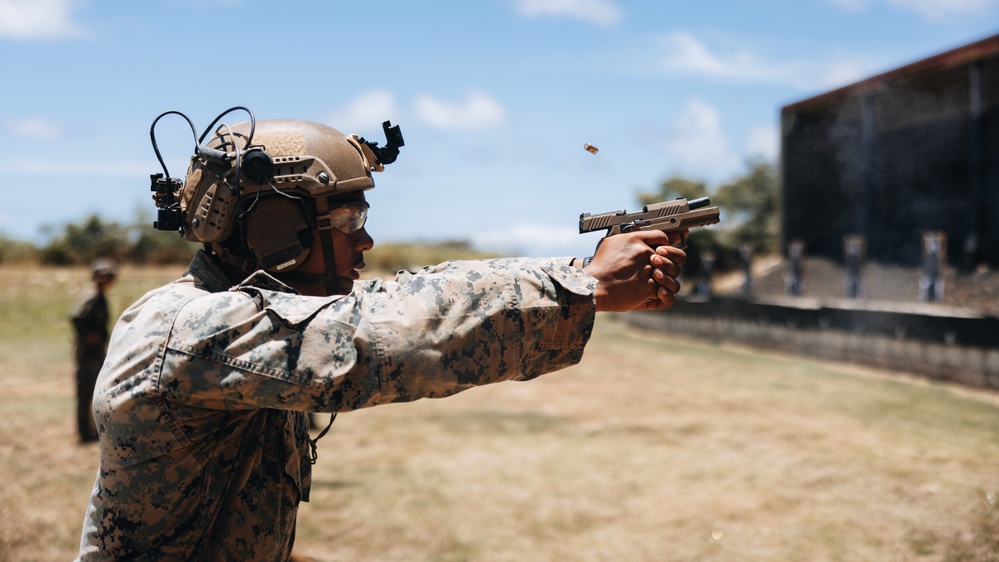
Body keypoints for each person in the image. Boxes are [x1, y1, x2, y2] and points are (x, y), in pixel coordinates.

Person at [77, 110, 686, 561]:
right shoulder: (186, 330)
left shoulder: (240, 313)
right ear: (277, 229)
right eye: (347, 220)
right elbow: (380, 337)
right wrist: (582, 288)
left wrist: (577, 277)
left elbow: (406, 296)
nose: (364, 241)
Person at [70, 259, 117, 443]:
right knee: (85, 390)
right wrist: (87, 336)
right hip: (89, 352)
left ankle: (90, 429)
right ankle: (84, 432)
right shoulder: (92, 296)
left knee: (95, 389)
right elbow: (76, 317)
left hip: (95, 351)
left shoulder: (99, 296)